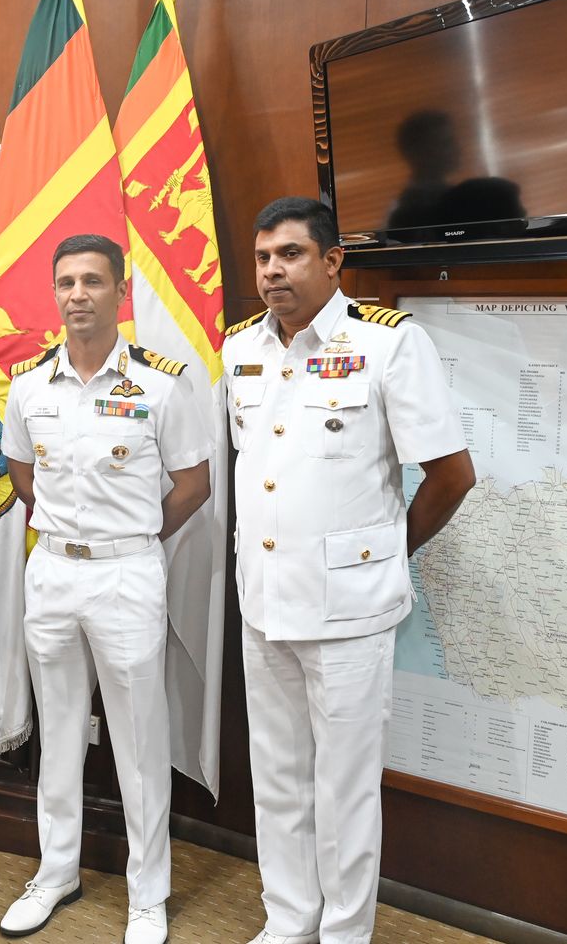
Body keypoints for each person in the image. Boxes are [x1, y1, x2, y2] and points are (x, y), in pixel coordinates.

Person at [222, 197, 475, 944]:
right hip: (264, 602)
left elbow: (452, 475)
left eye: (292, 254)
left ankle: (342, 934)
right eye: (264, 256)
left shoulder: (389, 346)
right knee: (278, 778)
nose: (273, 270)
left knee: (345, 789)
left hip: (349, 612)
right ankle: (289, 920)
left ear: (333, 262)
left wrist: (384, 557)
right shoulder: (240, 350)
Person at [0, 234, 212, 944]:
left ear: (120, 292)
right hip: (54, 570)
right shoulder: (29, 386)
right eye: (66, 282)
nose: (78, 294)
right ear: (53, 293)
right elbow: (23, 476)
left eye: (93, 280)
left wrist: (142, 533)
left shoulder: (160, 383)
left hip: (126, 572)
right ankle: (56, 871)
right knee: (56, 729)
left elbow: (194, 483)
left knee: (138, 737)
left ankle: (147, 894)